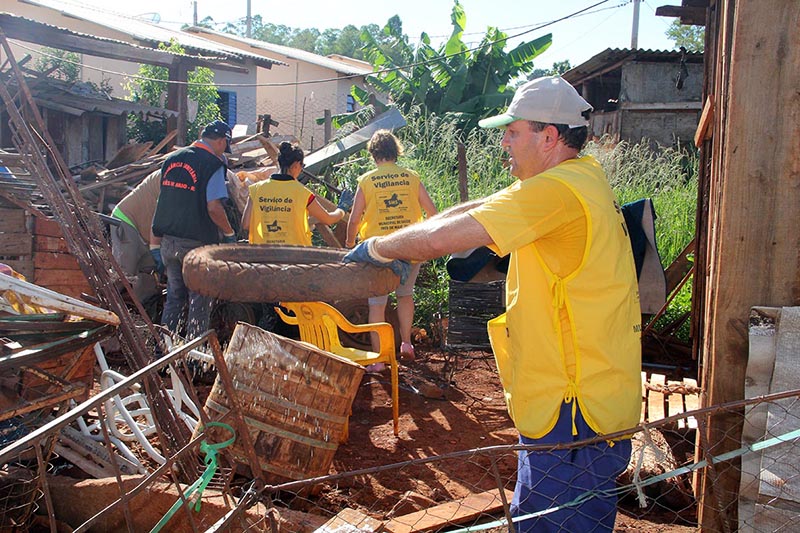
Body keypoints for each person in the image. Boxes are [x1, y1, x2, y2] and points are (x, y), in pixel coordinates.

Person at [344, 76, 641, 532]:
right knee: (545, 515)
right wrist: (394, 243)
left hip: (572, 411)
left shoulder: (554, 193)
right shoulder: (581, 178)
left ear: (549, 137)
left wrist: (380, 247)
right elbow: (476, 208)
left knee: (551, 524)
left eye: (513, 131)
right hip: (585, 399)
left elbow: (445, 238)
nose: (504, 141)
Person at [345, 130, 437, 361]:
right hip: (410, 245)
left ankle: (379, 357)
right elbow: (433, 212)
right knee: (405, 295)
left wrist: (349, 243)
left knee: (377, 302)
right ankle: (406, 344)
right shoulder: (411, 177)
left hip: (379, 250)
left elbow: (355, 218)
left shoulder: (366, 180)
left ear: (374, 154)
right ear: (395, 152)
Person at [152, 120, 237, 341]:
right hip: (196, 247)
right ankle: (195, 361)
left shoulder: (171, 160)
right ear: (221, 141)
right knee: (199, 303)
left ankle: (164, 355)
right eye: (223, 146)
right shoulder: (212, 164)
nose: (223, 152)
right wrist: (229, 234)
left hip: (169, 244)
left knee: (174, 299)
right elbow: (214, 208)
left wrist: (155, 242)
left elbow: (163, 202)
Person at [240, 141, 348, 245]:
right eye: (302, 166)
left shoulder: (256, 189)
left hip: (264, 253)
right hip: (296, 255)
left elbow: (246, 224)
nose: (301, 169)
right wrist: (342, 209)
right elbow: (328, 219)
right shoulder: (303, 194)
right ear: (296, 165)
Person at [109, 169, 161, 303]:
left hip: (146, 232)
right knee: (124, 273)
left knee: (148, 273)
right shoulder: (170, 175)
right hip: (127, 219)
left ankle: (138, 311)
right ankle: (108, 306)